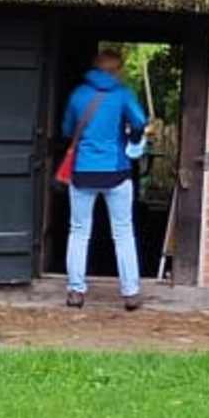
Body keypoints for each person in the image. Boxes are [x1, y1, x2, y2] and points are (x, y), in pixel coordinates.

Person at [62, 46, 149, 311]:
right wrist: (131, 138)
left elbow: (67, 129)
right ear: (117, 70)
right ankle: (130, 293)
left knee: (79, 231)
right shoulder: (122, 94)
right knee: (123, 233)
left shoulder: (78, 94)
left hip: (83, 171)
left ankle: (76, 291)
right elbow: (139, 121)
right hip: (116, 170)